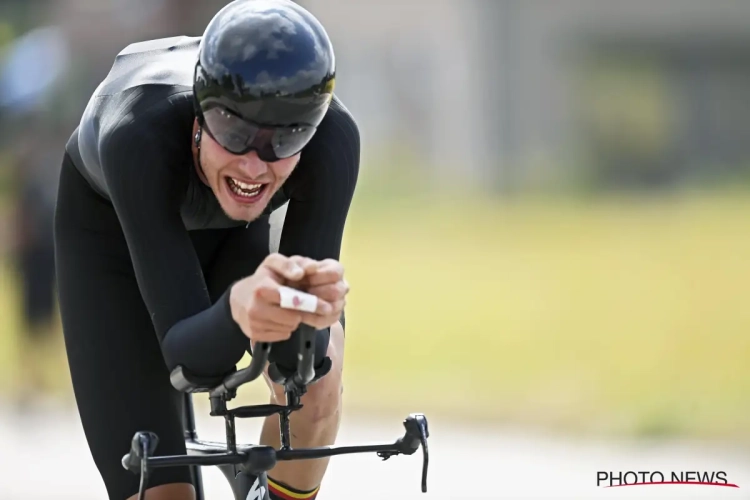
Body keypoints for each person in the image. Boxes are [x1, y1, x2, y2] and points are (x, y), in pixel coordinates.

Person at [53, 1, 359, 499]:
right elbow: (191, 366)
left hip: (237, 234)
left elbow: (296, 363)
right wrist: (239, 310)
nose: (254, 167)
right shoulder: (139, 134)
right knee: (163, 492)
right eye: (235, 135)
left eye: (285, 141)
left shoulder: (333, 140)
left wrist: (309, 314)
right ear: (198, 115)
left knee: (317, 380)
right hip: (111, 238)